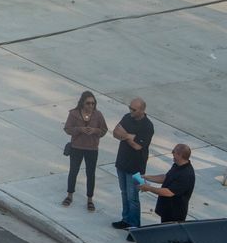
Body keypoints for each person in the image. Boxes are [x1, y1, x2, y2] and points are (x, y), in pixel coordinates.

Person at [112, 97, 155, 230]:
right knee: (124, 193)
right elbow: (115, 133)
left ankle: (134, 226)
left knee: (133, 197)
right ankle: (125, 219)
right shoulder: (127, 117)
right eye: (130, 107)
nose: (130, 110)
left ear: (142, 110)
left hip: (135, 168)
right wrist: (129, 136)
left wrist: (124, 135)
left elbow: (138, 147)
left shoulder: (147, 126)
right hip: (122, 163)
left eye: (133, 109)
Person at [62, 90, 106, 211]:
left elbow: (103, 130)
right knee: (73, 171)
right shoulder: (74, 114)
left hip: (92, 148)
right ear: (82, 103)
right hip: (77, 147)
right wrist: (79, 129)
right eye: (88, 103)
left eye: (93, 103)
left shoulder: (98, 115)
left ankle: (90, 199)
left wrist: (95, 131)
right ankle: (69, 195)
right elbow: (67, 129)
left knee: (90, 173)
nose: (90, 106)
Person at [139, 144, 195, 224]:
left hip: (175, 214)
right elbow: (166, 178)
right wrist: (147, 177)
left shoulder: (186, 175)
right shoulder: (177, 165)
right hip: (167, 209)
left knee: (171, 234)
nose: (172, 153)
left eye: (173, 151)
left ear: (180, 155)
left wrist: (149, 188)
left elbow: (169, 192)